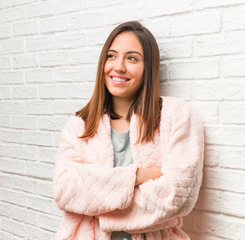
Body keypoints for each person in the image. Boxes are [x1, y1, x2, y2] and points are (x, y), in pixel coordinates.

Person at [52, 21, 204, 240]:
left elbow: (178, 195)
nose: (119, 67)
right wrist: (137, 176)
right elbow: (64, 191)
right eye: (111, 56)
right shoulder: (80, 125)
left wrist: (94, 192)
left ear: (148, 68)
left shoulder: (176, 116)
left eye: (132, 58)